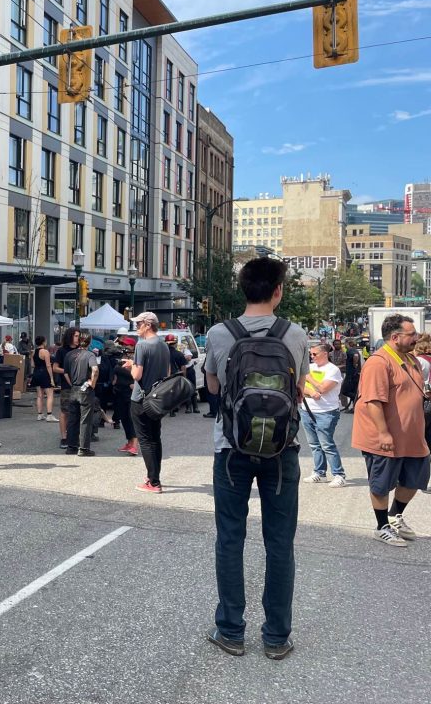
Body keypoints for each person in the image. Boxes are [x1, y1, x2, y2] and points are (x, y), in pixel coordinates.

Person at [204, 257, 308, 660]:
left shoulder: (219, 333)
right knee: (280, 543)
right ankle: (277, 636)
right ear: (278, 291)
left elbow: (212, 386)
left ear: (242, 290)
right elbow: (297, 389)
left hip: (231, 449)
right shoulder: (295, 334)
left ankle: (230, 630)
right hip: (284, 451)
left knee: (230, 538)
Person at [350, 313, 430, 548]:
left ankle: (396, 516)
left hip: (412, 437)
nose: (416, 337)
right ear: (395, 337)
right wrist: (383, 433)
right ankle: (381, 526)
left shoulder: (410, 359)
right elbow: (373, 401)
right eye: (411, 334)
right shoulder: (379, 361)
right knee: (382, 483)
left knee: (416, 478)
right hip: (385, 437)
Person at [125, 313, 170, 492]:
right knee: (155, 438)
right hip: (157, 398)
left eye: (139, 324)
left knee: (145, 440)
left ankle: (153, 482)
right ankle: (155, 476)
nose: (137, 327)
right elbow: (166, 372)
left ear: (147, 325)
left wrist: (131, 365)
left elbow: (137, 375)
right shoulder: (164, 345)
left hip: (141, 398)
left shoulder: (142, 345)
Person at [300, 343, 346, 487]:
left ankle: (339, 474)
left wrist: (308, 377)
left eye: (315, 354)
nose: (312, 357)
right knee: (314, 444)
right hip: (307, 410)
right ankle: (319, 472)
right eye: (311, 354)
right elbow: (299, 386)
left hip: (326, 412)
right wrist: (312, 391)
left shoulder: (333, 370)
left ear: (325, 354)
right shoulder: (310, 368)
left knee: (326, 444)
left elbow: (323, 388)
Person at [63, 341, 98, 457]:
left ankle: (71, 446)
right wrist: (92, 383)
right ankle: (83, 448)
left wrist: (72, 384)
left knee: (73, 418)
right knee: (85, 420)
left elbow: (65, 373)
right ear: (89, 343)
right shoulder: (90, 355)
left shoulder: (69, 354)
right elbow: (95, 369)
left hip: (74, 388)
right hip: (85, 389)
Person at [53, 327, 81, 450]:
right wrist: (68, 371)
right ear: (70, 336)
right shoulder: (62, 351)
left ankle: (74, 435)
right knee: (65, 411)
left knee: (78, 411)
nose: (78, 338)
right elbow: (55, 367)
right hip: (66, 386)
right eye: (76, 336)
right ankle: (64, 437)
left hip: (80, 385)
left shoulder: (82, 350)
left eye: (79, 336)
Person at [112, 340, 138, 455]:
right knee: (124, 418)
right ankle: (129, 443)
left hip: (130, 392)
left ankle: (135, 445)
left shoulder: (136, 359)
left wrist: (136, 384)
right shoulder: (120, 358)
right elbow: (116, 373)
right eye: (123, 345)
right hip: (119, 391)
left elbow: (140, 374)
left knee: (131, 418)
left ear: (132, 346)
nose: (124, 347)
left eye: (126, 345)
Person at [30, 336, 58, 422]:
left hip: (36, 373)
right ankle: (49, 415)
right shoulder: (45, 352)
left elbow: (32, 365)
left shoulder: (33, 352)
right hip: (44, 373)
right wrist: (52, 378)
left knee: (39, 395)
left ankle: (40, 414)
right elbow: (48, 365)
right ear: (43, 342)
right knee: (50, 394)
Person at [164, 335, 188, 417]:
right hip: (175, 375)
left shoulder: (162, 354)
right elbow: (183, 367)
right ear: (175, 343)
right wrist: (184, 378)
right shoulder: (179, 354)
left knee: (167, 393)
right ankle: (173, 409)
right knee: (174, 393)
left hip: (164, 376)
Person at [341, 337, 362, 412]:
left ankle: (359, 399)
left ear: (348, 343)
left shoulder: (350, 350)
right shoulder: (354, 350)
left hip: (352, 375)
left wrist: (354, 363)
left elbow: (355, 356)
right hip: (355, 374)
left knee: (344, 390)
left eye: (345, 343)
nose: (344, 345)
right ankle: (354, 407)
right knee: (353, 390)